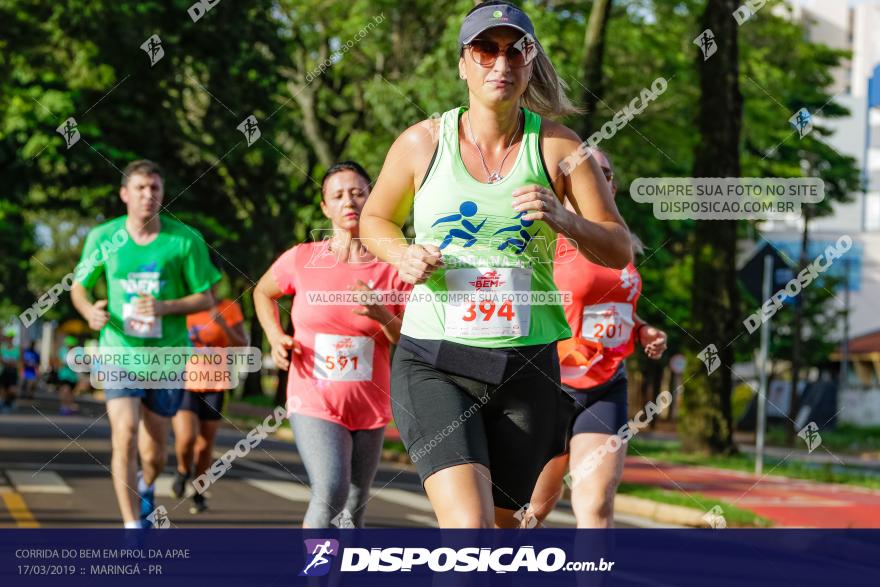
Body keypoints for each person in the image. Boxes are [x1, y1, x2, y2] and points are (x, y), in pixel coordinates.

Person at [358, 0, 632, 528]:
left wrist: (566, 220)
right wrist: (402, 253)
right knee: (469, 529)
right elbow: (375, 219)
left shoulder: (559, 148)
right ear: (463, 62)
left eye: (515, 50)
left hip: (526, 367)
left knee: (502, 536)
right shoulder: (423, 143)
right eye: (485, 50)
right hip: (435, 360)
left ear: (531, 61)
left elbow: (619, 248)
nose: (500, 64)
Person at [253, 161, 410, 528]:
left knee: (355, 505)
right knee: (331, 490)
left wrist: (380, 313)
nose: (349, 201)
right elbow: (263, 291)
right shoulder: (304, 258)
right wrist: (275, 336)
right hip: (314, 398)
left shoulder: (393, 266)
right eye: (337, 195)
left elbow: (404, 336)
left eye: (358, 192)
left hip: (369, 402)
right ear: (325, 207)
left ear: (372, 198)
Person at [71, 159, 220, 528]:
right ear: (124, 194)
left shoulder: (185, 239)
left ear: (163, 193)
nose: (148, 195)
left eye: (154, 188)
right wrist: (90, 311)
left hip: (166, 356)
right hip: (118, 352)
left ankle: (147, 485)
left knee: (155, 454)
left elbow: (208, 297)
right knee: (124, 433)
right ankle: (131, 526)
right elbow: (79, 287)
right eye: (139, 188)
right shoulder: (103, 238)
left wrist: (165, 306)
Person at [526, 149, 667, 528]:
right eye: (585, 172)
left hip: (606, 385)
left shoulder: (621, 246)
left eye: (604, 173)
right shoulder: (544, 242)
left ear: (613, 187)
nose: (597, 179)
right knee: (532, 510)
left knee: (596, 506)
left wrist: (641, 329)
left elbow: (615, 308)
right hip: (551, 384)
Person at [171, 254, 246, 514]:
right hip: (185, 382)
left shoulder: (229, 307)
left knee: (204, 446)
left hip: (216, 383)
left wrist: (223, 323)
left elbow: (243, 343)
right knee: (186, 438)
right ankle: (182, 469)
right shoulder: (185, 307)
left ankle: (199, 491)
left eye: (213, 279)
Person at [53, 335, 80, 415]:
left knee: (70, 393)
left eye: (71, 345)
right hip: (63, 375)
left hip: (73, 377)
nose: (70, 347)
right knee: (64, 390)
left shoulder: (77, 352)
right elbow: (59, 362)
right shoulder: (62, 351)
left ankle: (68, 406)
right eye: (68, 345)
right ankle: (64, 406)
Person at [0, 330, 21, 413]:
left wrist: (9, 362)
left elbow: (17, 361)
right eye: (9, 338)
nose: (10, 339)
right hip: (4, 371)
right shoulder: (2, 347)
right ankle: (3, 403)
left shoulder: (16, 349)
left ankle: (9, 402)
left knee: (12, 390)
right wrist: (9, 362)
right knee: (3, 388)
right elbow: (1, 359)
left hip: (13, 372)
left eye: (11, 338)